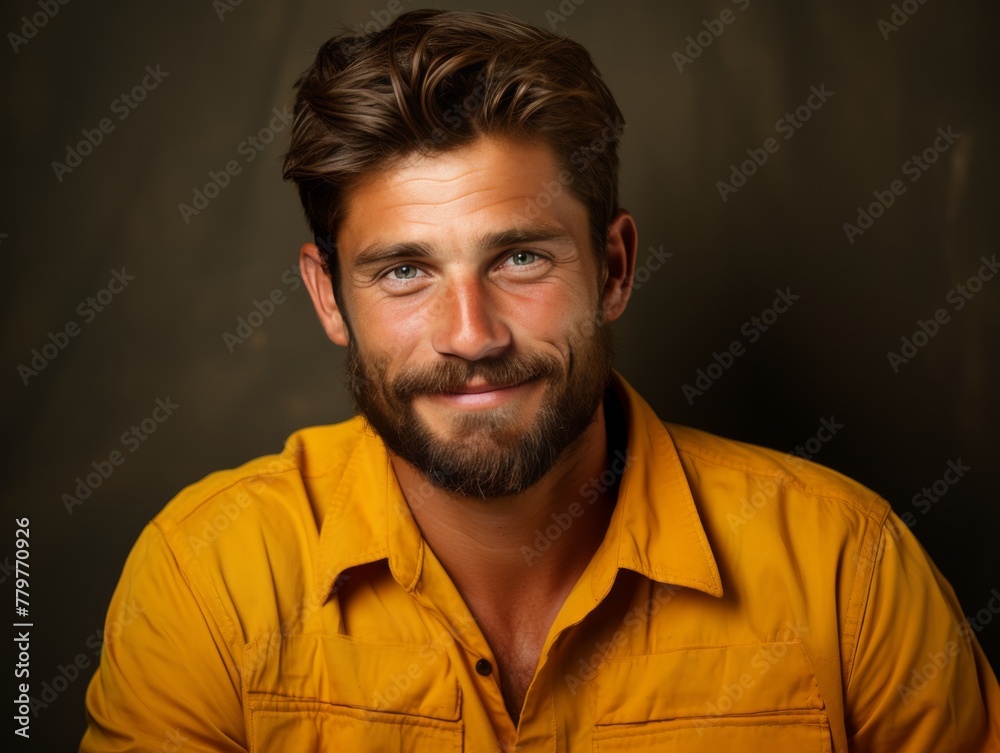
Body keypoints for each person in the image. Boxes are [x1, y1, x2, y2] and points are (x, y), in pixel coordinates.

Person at [80, 9, 999, 752]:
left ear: (615, 267)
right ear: (329, 298)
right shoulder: (209, 580)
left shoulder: (848, 573)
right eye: (404, 270)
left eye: (519, 257)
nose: (471, 336)